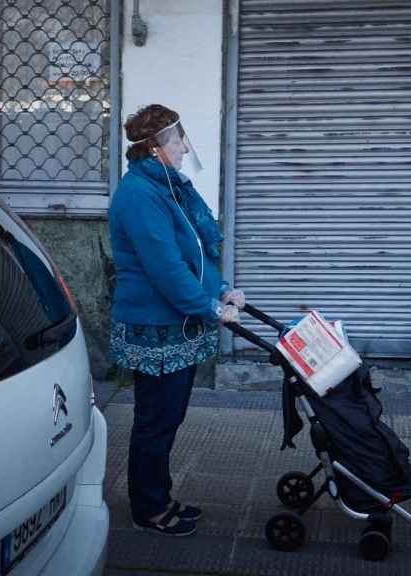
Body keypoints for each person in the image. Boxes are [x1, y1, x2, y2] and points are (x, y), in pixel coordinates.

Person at [109, 104, 245, 537]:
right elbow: (166, 267)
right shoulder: (139, 195)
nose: (185, 146)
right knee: (156, 420)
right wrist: (209, 308)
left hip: (175, 325)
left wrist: (221, 288)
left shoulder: (168, 187)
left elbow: (196, 253)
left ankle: (160, 496)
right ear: (153, 148)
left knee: (168, 418)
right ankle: (148, 508)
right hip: (154, 329)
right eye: (176, 140)